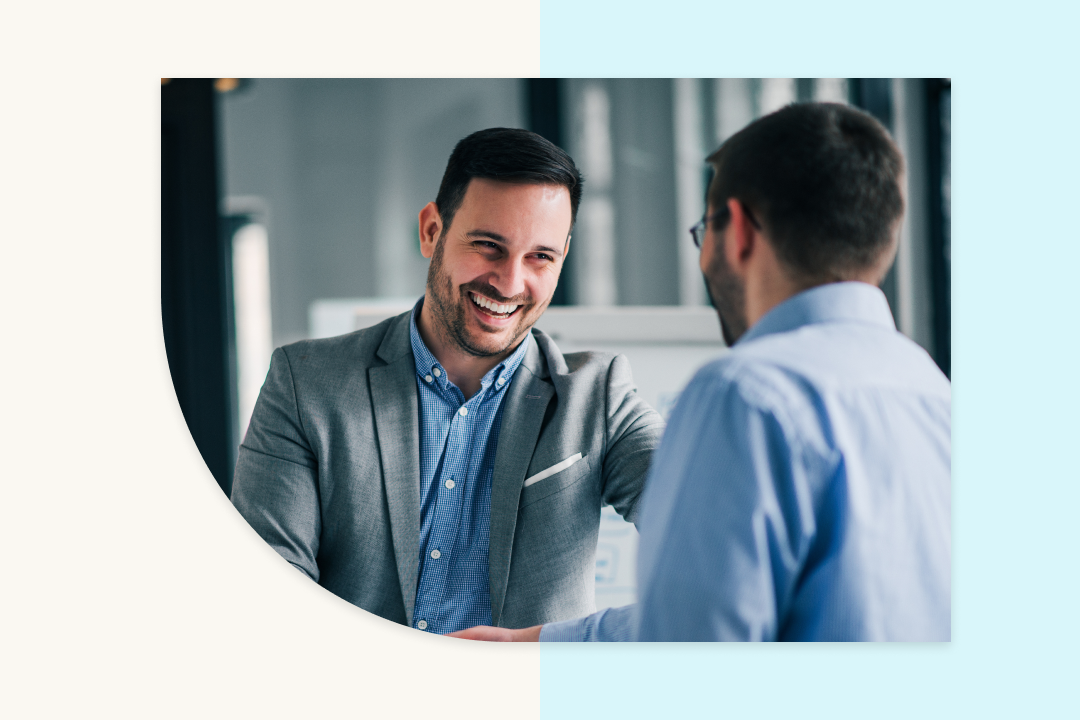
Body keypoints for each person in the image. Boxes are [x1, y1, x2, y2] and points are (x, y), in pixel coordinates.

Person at [451, 102, 951, 642]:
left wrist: (529, 649)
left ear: (738, 232)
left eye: (702, 230)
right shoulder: (936, 393)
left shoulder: (746, 394)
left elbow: (694, 644)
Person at [231, 127, 664, 635]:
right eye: (488, 246)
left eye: (540, 257)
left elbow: (723, 546)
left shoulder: (599, 398)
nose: (509, 282)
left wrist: (559, 646)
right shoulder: (306, 384)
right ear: (431, 231)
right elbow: (268, 600)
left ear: (562, 257)